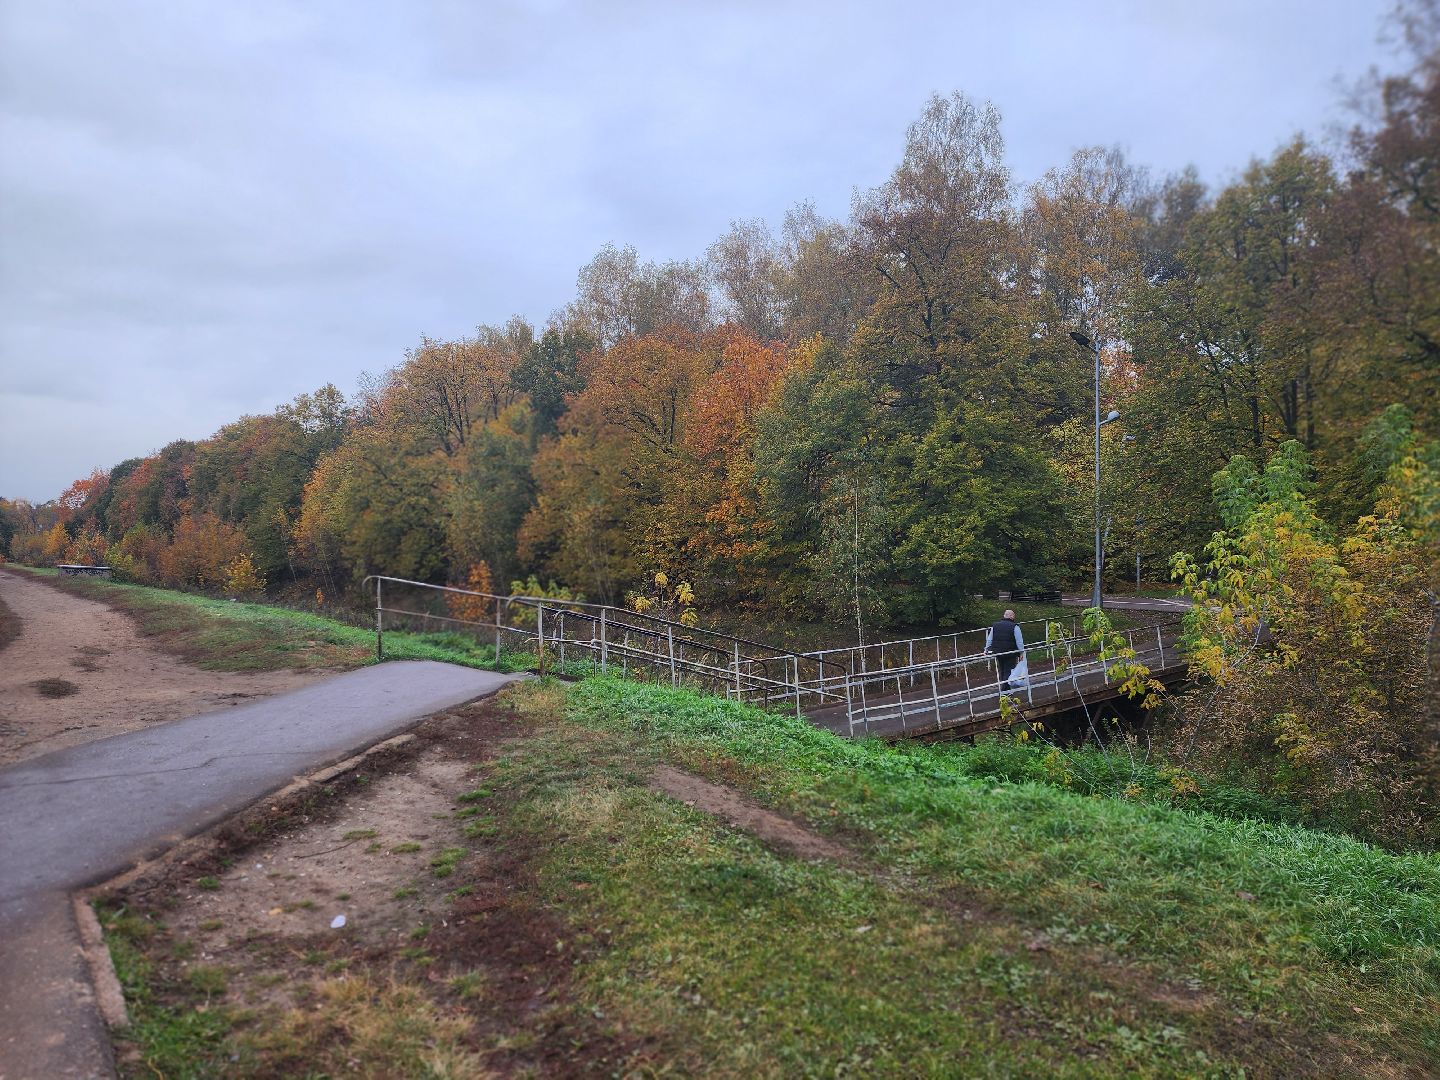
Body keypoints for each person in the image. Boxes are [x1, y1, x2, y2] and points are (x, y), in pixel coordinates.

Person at [987, 609, 1023, 693]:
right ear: (1011, 616)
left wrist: (986, 649)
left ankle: (1003, 688)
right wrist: (1021, 652)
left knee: (1002, 670)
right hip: (1010, 652)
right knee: (1008, 671)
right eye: (1013, 616)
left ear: (1004, 616)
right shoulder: (1015, 626)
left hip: (998, 652)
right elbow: (1019, 641)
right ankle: (1005, 691)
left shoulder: (995, 626)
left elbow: (990, 639)